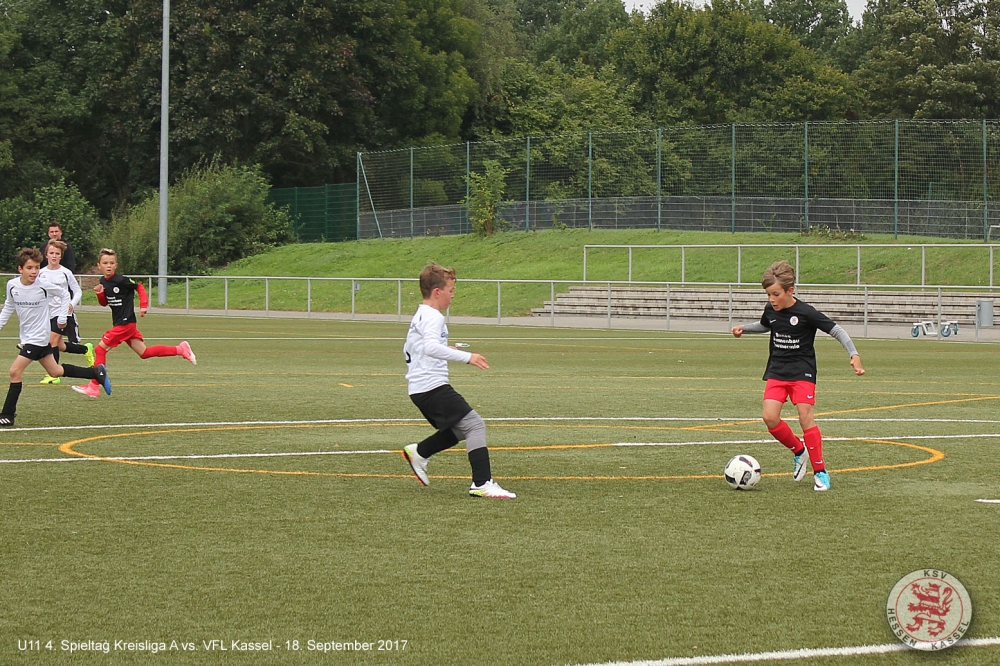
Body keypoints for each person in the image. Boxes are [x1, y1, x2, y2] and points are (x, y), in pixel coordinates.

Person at [731, 260, 865, 492]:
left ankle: (820, 471)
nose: (772, 299)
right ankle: (799, 450)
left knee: (805, 417)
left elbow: (837, 330)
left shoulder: (806, 312)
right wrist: (745, 328)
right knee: (769, 418)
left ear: (790, 291)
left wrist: (854, 354)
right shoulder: (771, 310)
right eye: (768, 295)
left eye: (776, 294)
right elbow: (766, 325)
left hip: (802, 371)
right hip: (777, 370)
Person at [401, 262, 515, 499]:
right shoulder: (434, 317)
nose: (453, 296)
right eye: (451, 290)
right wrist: (467, 357)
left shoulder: (421, 313)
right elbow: (430, 347)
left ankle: (420, 452)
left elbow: (416, 347)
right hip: (431, 386)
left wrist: (446, 349)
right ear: (437, 292)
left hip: (421, 388)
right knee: (474, 425)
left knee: (461, 428)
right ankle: (482, 483)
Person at [0, 248, 111, 426]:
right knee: (55, 371)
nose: (34, 272)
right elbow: (8, 306)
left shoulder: (43, 285)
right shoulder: (12, 285)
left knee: (14, 372)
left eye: (37, 267)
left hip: (39, 338)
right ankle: (95, 372)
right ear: (20, 269)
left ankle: (7, 415)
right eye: (29, 268)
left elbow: (64, 294)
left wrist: (62, 317)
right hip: (28, 338)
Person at [72, 248, 196, 399]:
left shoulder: (121, 280)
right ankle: (180, 349)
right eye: (105, 263)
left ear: (116, 265)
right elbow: (104, 303)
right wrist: (100, 294)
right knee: (145, 353)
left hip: (125, 324)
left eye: (111, 263)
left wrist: (143, 305)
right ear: (99, 266)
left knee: (100, 349)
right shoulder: (103, 281)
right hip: (123, 325)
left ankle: (94, 386)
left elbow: (139, 287)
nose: (108, 266)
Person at [36, 240, 95, 385]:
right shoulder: (40, 273)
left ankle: (53, 374)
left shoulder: (65, 272)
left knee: (51, 341)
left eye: (57, 253)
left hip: (62, 313)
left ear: (61, 256)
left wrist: (71, 304)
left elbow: (77, 291)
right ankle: (85, 349)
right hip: (47, 314)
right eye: (51, 253)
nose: (54, 256)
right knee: (60, 346)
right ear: (46, 255)